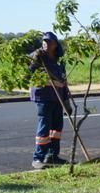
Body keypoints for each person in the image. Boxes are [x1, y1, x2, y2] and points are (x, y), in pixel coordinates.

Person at [29, 32, 71, 169]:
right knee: (44, 128)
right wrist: (34, 61)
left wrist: (66, 102)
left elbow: (64, 82)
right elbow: (29, 72)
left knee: (56, 128)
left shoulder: (58, 62)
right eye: (44, 41)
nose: (46, 43)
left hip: (57, 98)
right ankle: (38, 158)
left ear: (55, 44)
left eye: (49, 42)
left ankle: (52, 156)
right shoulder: (38, 57)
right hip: (44, 97)